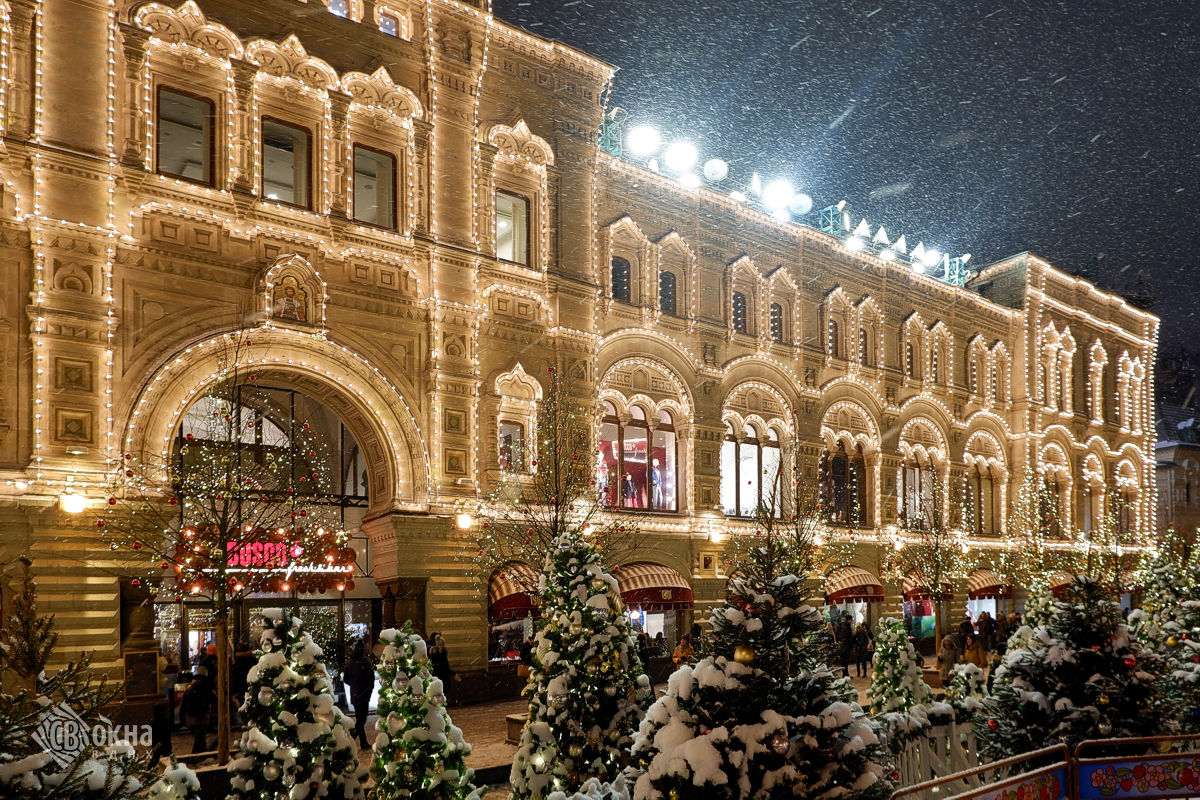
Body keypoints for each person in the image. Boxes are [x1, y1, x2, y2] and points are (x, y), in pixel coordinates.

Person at [342, 640, 375, 749]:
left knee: (360, 719)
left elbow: (346, 678)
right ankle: (352, 740)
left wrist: (354, 684)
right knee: (361, 720)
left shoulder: (350, 662)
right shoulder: (365, 662)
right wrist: (367, 687)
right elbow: (370, 679)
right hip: (364, 694)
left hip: (355, 693)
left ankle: (359, 741)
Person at [181, 668, 214, 754]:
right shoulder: (205, 686)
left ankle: (202, 751)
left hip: (190, 717)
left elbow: (183, 704)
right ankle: (196, 755)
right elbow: (213, 698)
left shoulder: (190, 687)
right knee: (199, 738)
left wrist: (183, 718)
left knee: (199, 737)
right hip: (201, 717)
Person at [428, 633, 455, 702]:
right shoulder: (431, 650)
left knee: (443, 694)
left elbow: (445, 664)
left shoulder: (443, 651)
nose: (439, 641)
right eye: (437, 639)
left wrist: (452, 673)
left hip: (443, 676)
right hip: (436, 676)